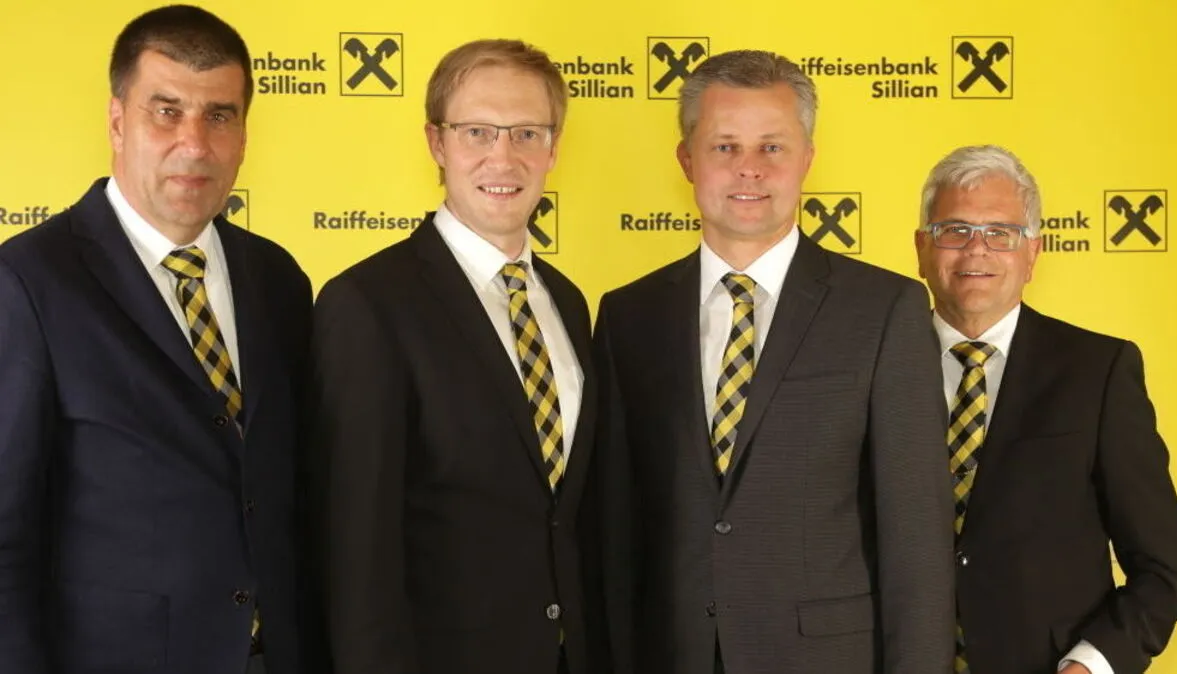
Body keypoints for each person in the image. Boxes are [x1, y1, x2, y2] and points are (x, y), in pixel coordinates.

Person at [593, 48, 954, 674]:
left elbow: (915, 539)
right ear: (687, 159)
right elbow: (614, 532)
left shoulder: (884, 309)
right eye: (725, 146)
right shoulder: (628, 316)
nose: (749, 169)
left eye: (772, 147)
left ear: (807, 158)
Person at [0, 5, 315, 674]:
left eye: (219, 115)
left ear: (244, 134)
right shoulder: (27, 281)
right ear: (117, 121)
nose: (194, 143)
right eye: (166, 111)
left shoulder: (278, 278)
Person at [307, 39, 601, 674]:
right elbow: (356, 548)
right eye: (477, 132)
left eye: (527, 133)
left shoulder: (568, 303)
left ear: (553, 149)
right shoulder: (368, 304)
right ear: (437, 144)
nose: (504, 156)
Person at [913, 143, 1177, 674]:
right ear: (922, 248)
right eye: (955, 230)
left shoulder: (1098, 371)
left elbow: (1165, 572)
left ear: (1033, 253)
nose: (976, 250)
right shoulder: (868, 367)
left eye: (1000, 233)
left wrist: (1089, 665)